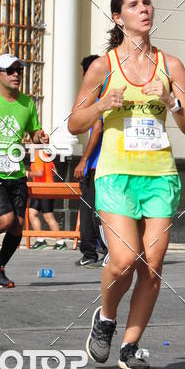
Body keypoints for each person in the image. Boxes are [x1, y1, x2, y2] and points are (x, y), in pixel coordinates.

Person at [69, 0, 185, 369]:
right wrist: (101, 104)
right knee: (124, 259)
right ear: (118, 17)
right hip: (116, 174)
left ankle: (130, 346)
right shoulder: (103, 67)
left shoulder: (171, 66)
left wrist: (171, 101)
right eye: (133, 4)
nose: (144, 9)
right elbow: (75, 123)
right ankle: (106, 318)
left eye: (147, 2)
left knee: (152, 265)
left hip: (159, 175)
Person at [0, 53, 49, 288]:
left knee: (17, 225)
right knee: (5, 220)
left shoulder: (27, 103)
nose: (16, 74)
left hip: (15, 171)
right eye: (10, 70)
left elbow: (34, 134)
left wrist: (40, 137)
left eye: (19, 70)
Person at [74, 54, 106, 268]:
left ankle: (92, 252)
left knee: (90, 210)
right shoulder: (108, 96)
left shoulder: (96, 99)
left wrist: (83, 160)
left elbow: (97, 128)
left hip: (96, 164)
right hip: (109, 163)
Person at [27, 155, 67, 250]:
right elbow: (55, 172)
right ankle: (40, 240)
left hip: (44, 189)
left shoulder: (38, 156)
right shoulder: (46, 156)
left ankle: (60, 242)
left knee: (48, 217)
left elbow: (39, 173)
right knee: (32, 213)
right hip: (39, 189)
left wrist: (27, 173)